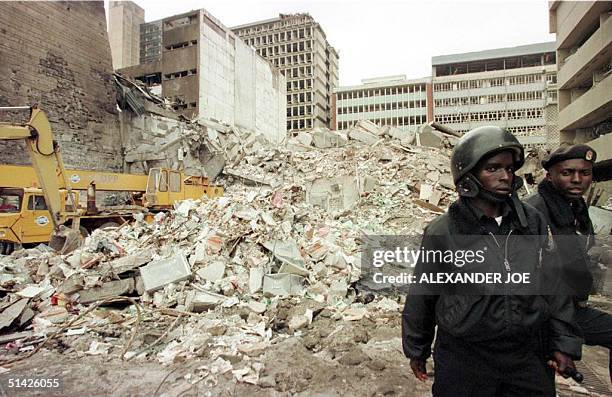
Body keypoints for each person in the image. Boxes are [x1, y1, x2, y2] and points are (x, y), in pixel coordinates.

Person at [402, 126, 582, 396]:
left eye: (509, 169)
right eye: (493, 169)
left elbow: (554, 287)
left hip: (526, 356)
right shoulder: (443, 231)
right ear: (468, 175)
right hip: (464, 359)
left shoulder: (532, 222)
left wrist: (564, 343)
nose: (505, 177)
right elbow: (423, 294)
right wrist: (417, 349)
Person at [525, 144, 612, 382]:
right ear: (549, 175)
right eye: (567, 173)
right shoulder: (535, 211)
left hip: (572, 307)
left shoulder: (576, 209)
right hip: (544, 313)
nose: (577, 180)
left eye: (585, 173)